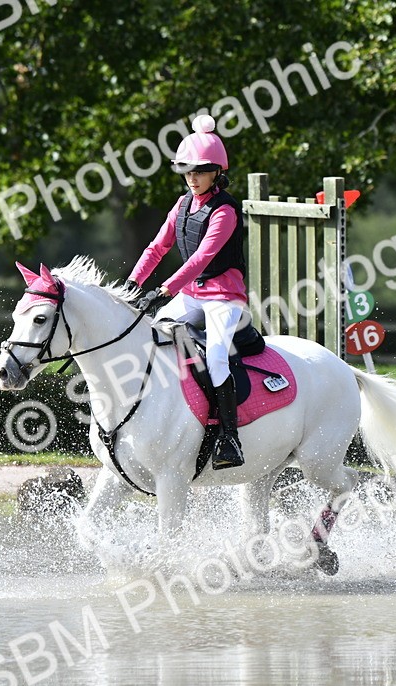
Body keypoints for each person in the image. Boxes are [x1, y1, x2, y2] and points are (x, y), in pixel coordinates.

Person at [126, 114, 249, 469]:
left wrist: (164, 289)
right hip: (193, 294)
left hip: (224, 298)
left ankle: (230, 438)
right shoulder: (181, 205)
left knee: (215, 358)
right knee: (153, 338)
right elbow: (157, 247)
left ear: (216, 173)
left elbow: (201, 258)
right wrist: (133, 284)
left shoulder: (224, 211)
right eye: (187, 171)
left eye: (200, 171)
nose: (192, 178)